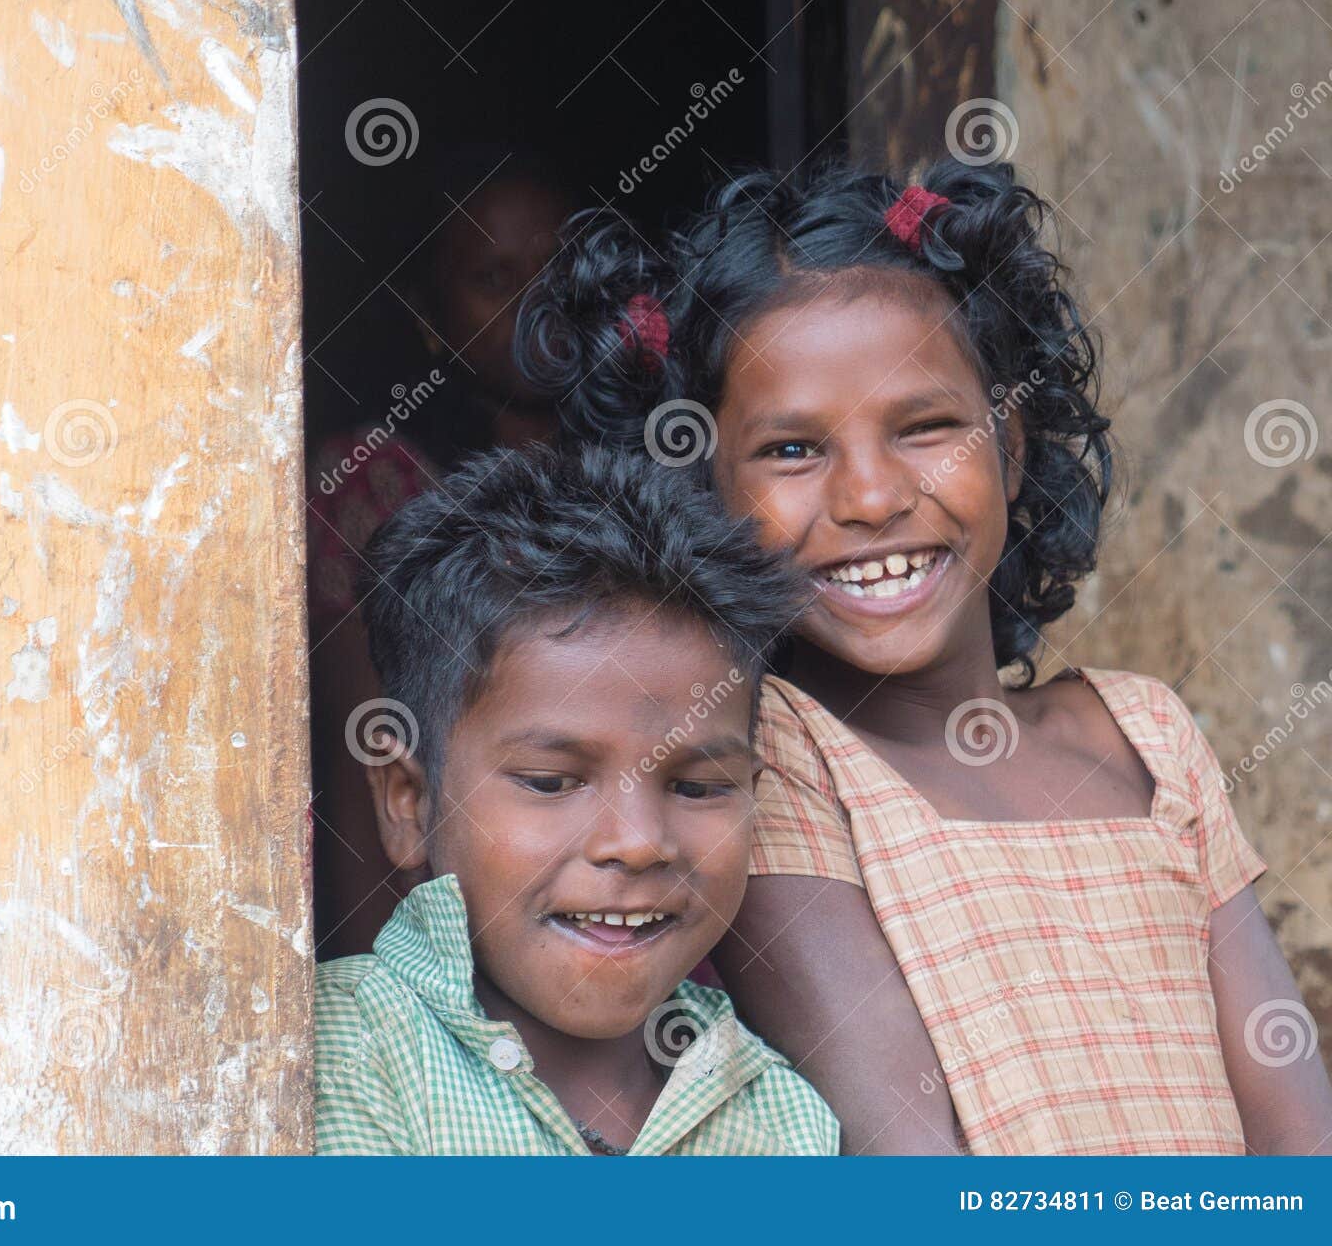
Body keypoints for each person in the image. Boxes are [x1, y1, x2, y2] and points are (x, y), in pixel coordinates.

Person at [520, 160, 1332, 1155]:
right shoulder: (765, 756)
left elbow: (1302, 1152)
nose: (869, 496)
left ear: (1012, 446)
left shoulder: (1147, 734)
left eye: (927, 427)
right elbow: (913, 1173)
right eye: (791, 450)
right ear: (702, 491)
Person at [314, 444, 838, 1156]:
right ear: (408, 802)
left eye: (697, 785)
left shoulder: (784, 1120)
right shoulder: (337, 1056)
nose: (638, 841)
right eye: (552, 782)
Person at [308, 153, 576, 958]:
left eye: (558, 274)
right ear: (431, 312)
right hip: (449, 929)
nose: (537, 306)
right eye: (495, 279)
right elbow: (364, 757)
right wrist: (377, 979)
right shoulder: (378, 481)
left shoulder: (648, 461)